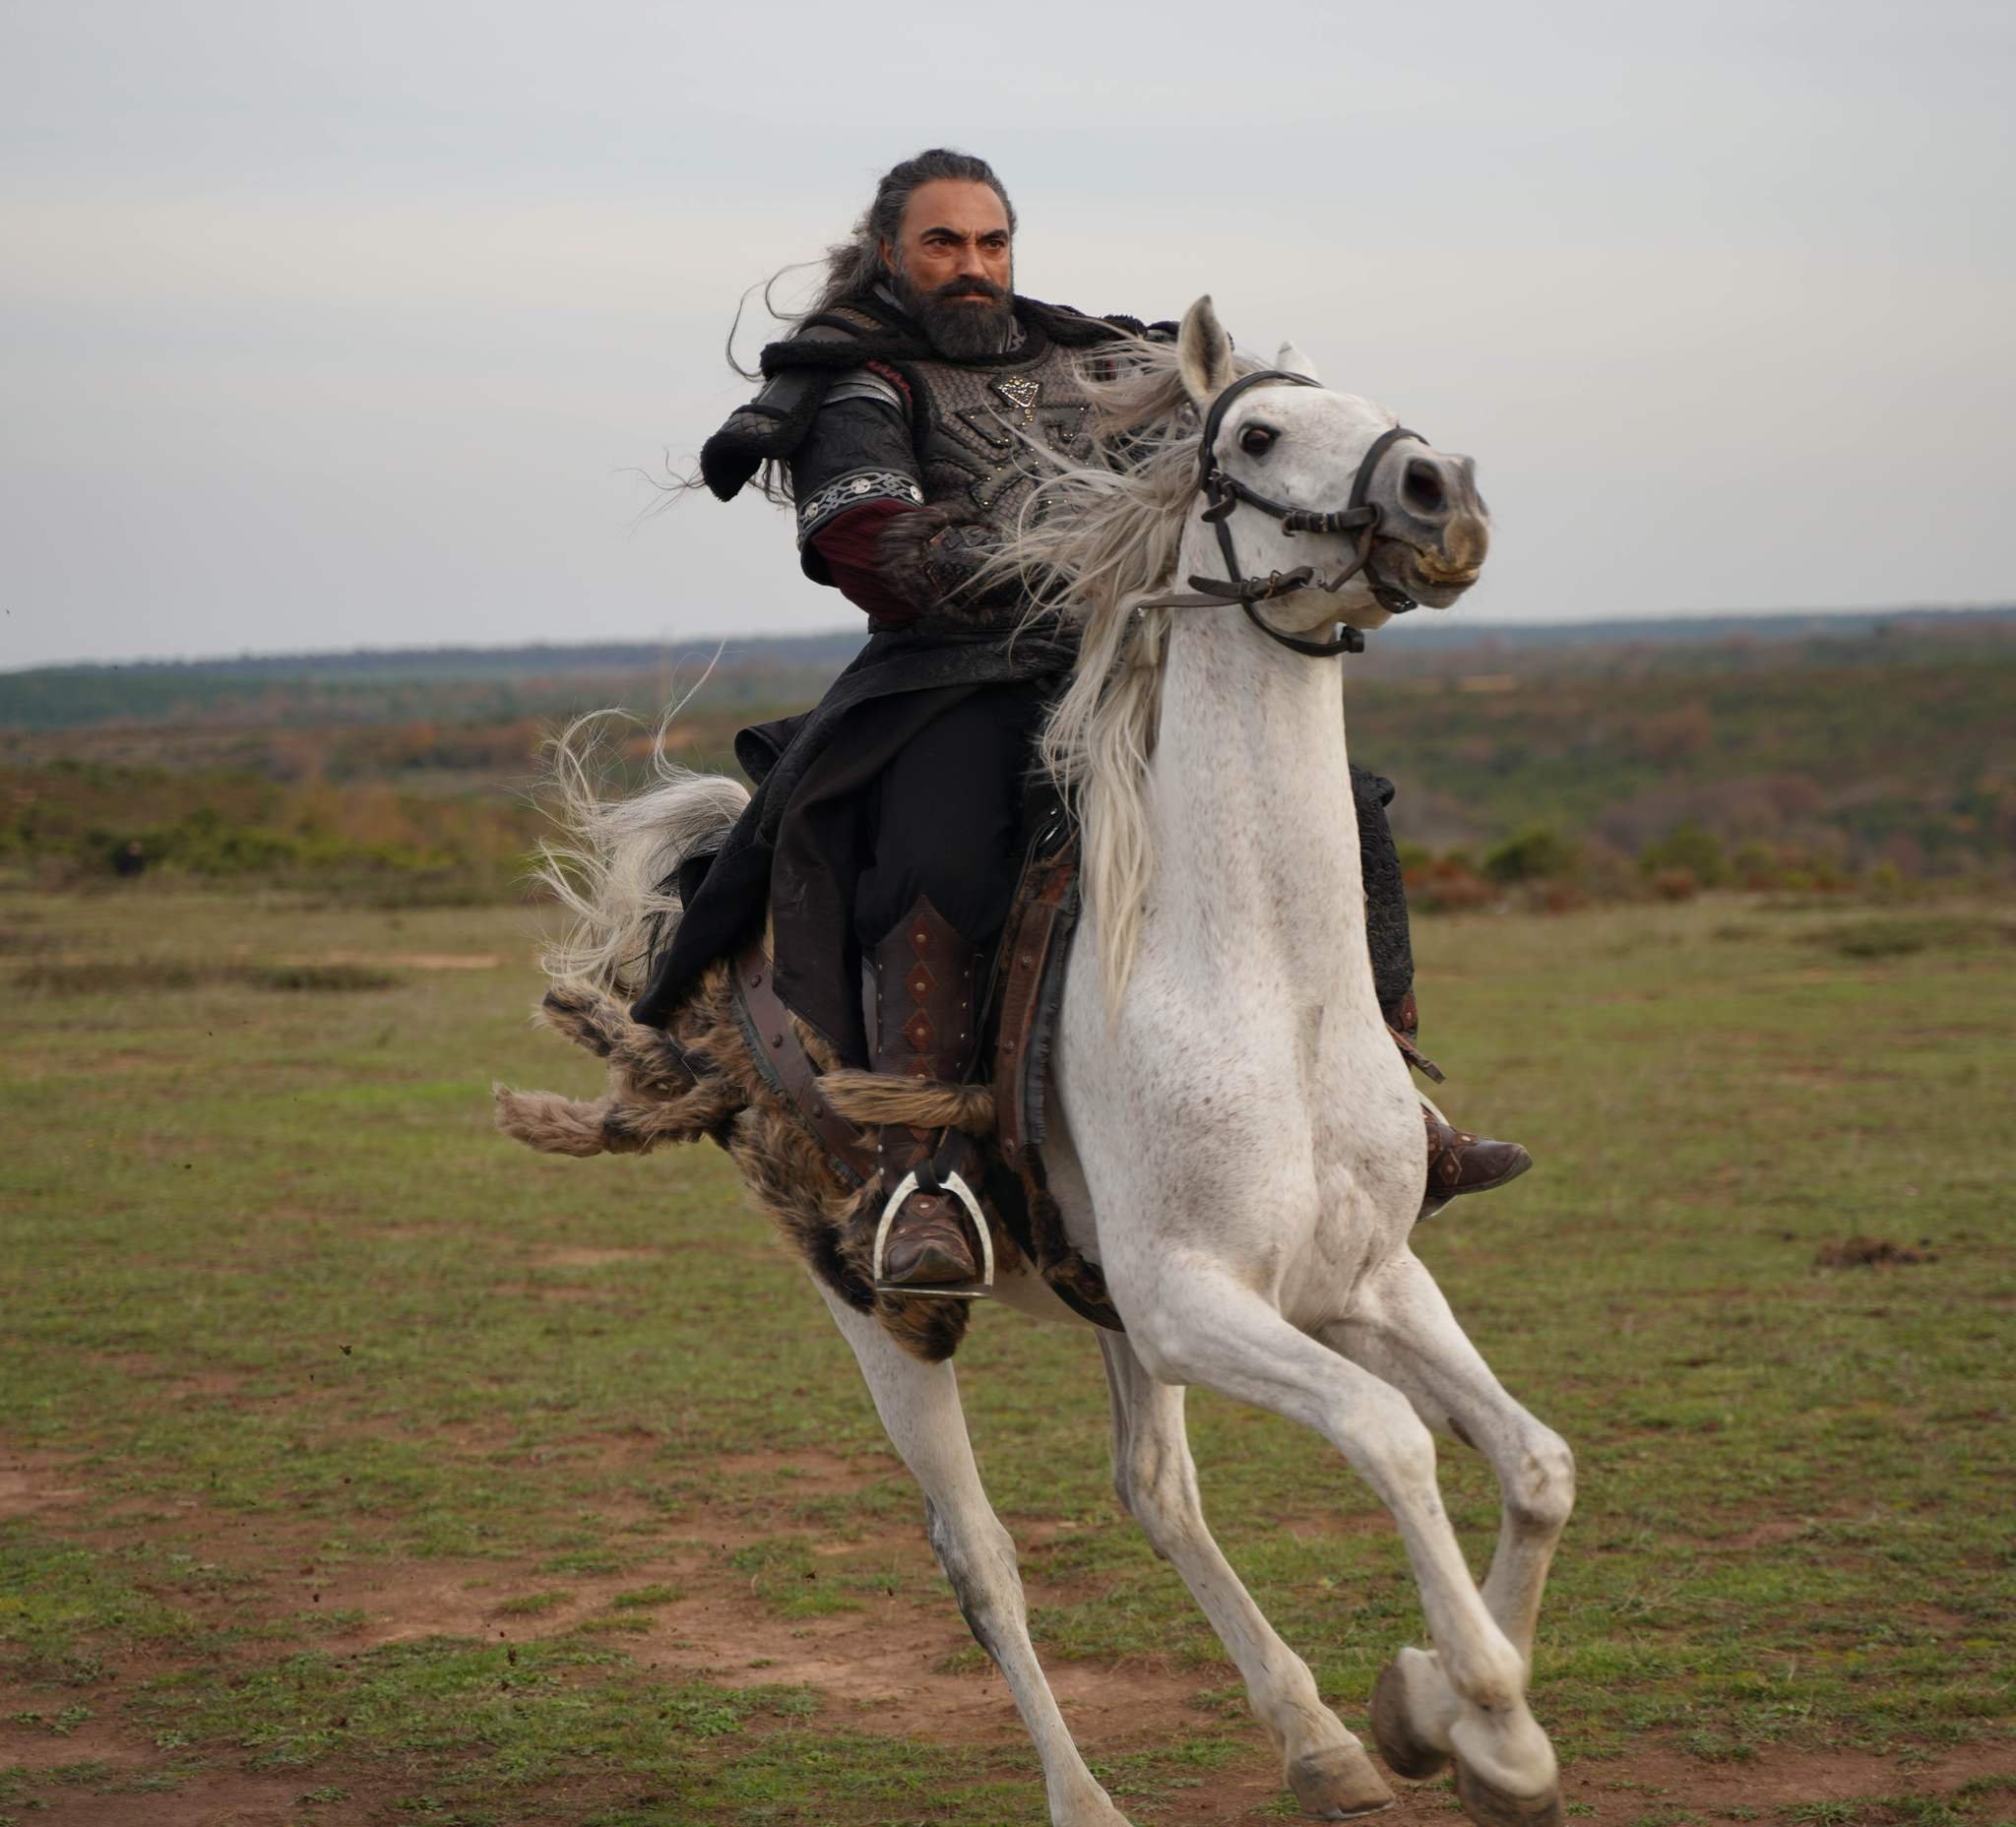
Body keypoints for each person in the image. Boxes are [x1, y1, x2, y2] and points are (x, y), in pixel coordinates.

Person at [632, 149, 1529, 1294]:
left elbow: (1253, 435)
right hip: (948, 676)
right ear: (888, 253)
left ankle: (1391, 1100)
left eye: (990, 243)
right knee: (938, 834)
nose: (971, 266)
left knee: (1345, 805)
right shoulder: (857, 385)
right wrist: (1057, 561)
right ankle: (926, 1168)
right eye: (942, 244)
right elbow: (862, 543)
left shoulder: (1098, 353)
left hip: (1131, 667)